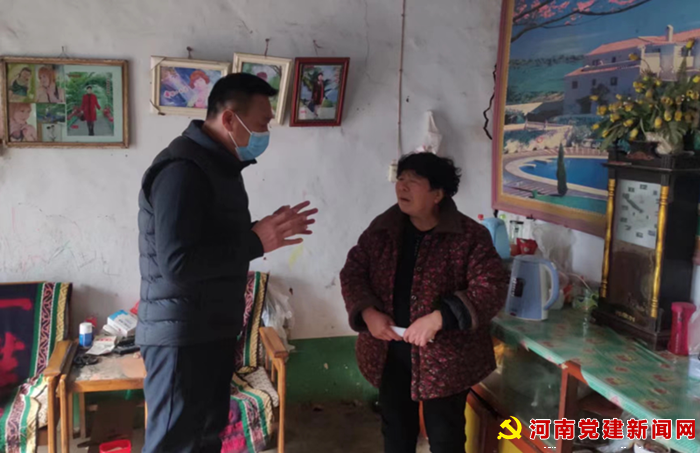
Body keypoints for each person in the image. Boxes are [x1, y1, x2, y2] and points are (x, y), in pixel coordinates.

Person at [137, 72, 317, 453]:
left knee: (206, 437)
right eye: (263, 123)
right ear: (230, 119)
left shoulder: (217, 167)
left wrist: (260, 231)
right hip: (182, 336)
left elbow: (209, 241)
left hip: (209, 329)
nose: (266, 132)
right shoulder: (182, 170)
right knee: (175, 444)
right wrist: (255, 241)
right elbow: (177, 263)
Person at [340, 153, 508, 453]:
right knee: (396, 433)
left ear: (437, 194)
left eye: (414, 181)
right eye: (401, 179)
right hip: (390, 352)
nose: (402, 187)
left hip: (447, 360)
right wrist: (368, 312)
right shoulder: (382, 230)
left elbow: (492, 286)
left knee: (445, 438)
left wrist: (439, 318)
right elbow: (353, 272)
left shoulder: (469, 236)